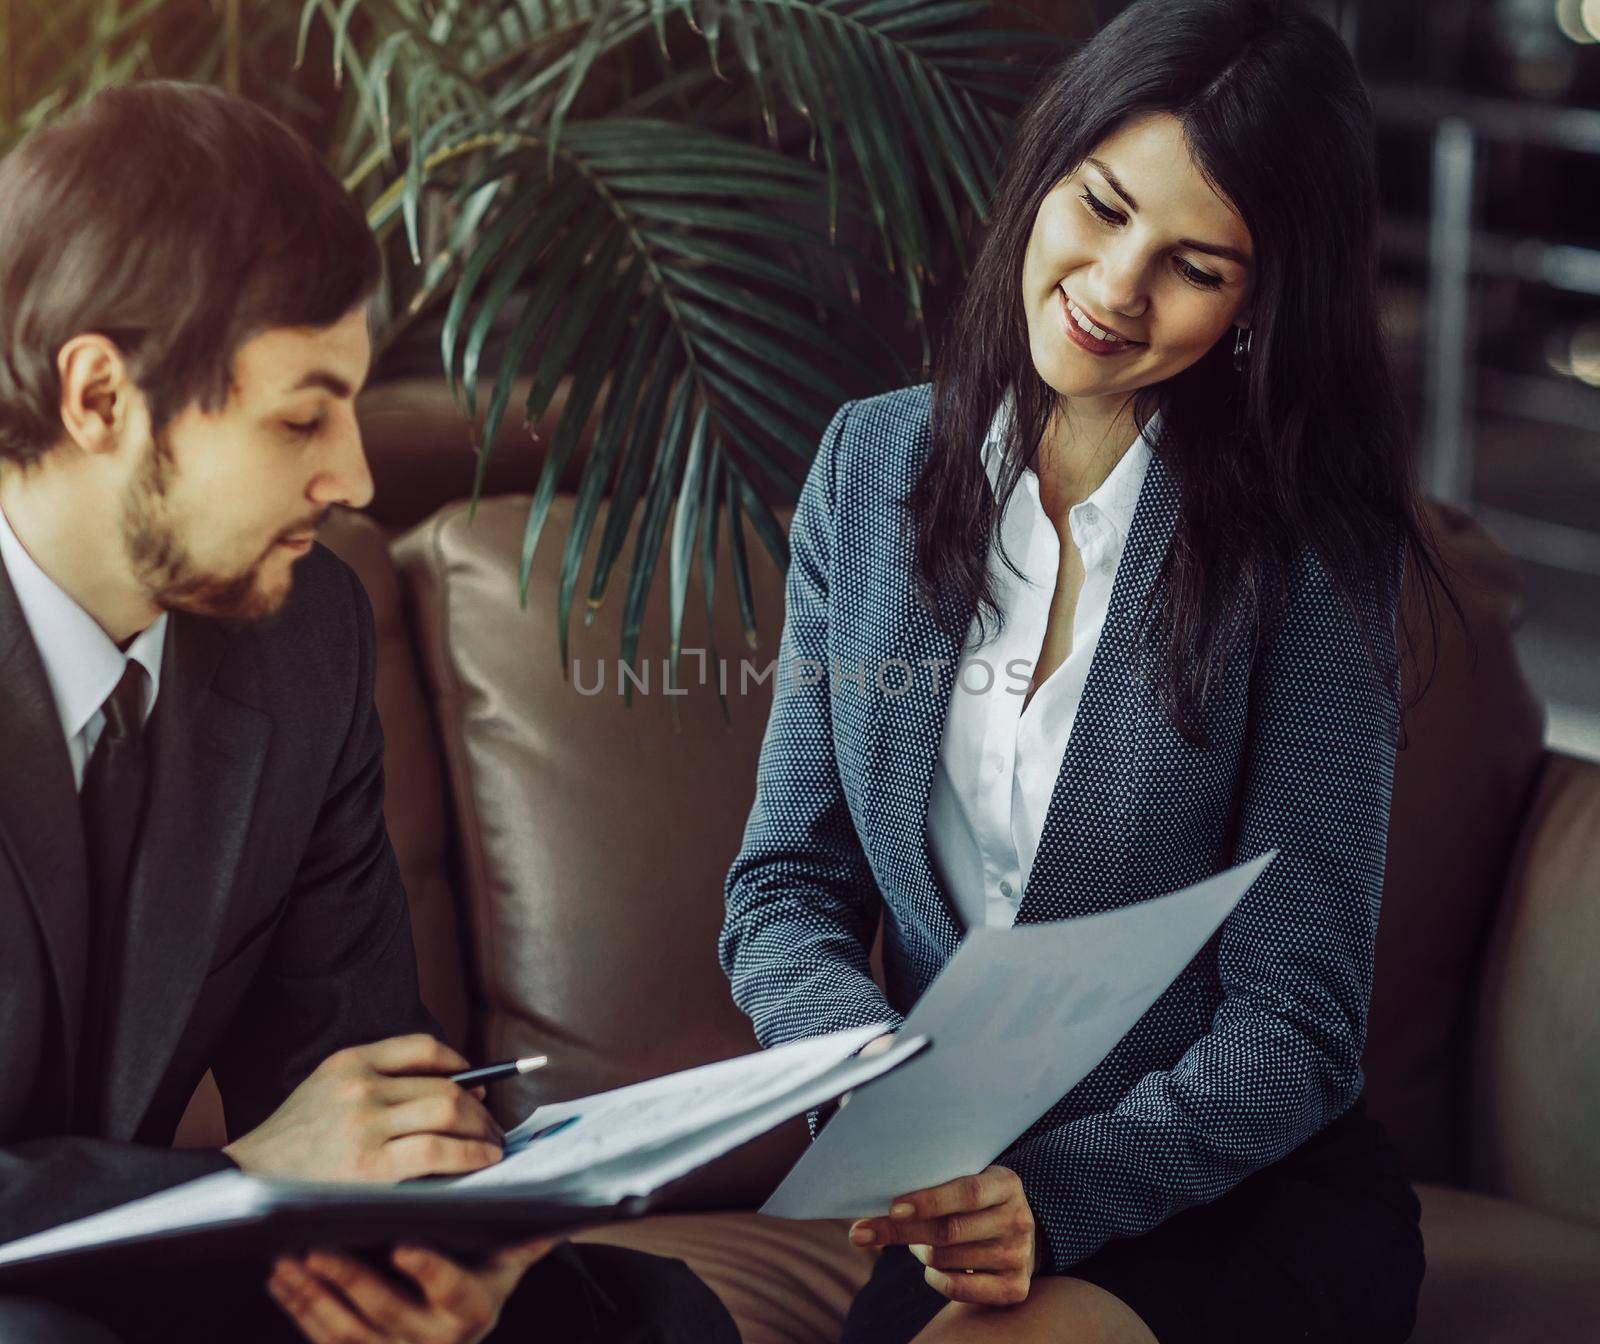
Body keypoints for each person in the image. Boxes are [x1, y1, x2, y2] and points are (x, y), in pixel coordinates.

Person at [719, 1, 1463, 1340]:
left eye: (1197, 264)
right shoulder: (870, 469)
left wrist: (1045, 1195)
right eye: (1103, 206)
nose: (1118, 288)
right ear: (1045, 171)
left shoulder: (1309, 553)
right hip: (959, 1202)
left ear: (1259, 302)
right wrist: (881, 1094)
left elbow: (1297, 1026)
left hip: (1239, 1191)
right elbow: (784, 890)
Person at [0, 81, 735, 1344]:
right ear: (101, 398)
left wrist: (452, 1239)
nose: (353, 477)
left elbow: (362, 1066)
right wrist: (241, 1180)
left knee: (632, 1316)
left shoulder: (305, 635)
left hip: (162, 1256)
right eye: (301, 416)